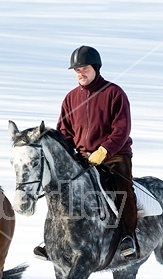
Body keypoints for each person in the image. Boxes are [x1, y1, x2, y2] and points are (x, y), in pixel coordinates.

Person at [34, 45, 137, 261]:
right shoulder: (70, 98)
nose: (80, 73)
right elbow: (64, 131)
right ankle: (56, 239)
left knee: (122, 189)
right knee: (60, 189)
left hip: (114, 155)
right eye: (77, 70)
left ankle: (128, 237)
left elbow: (121, 129)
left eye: (84, 68)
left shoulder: (114, 93)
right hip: (80, 156)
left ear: (96, 68)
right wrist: (67, 152)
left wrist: (104, 150)